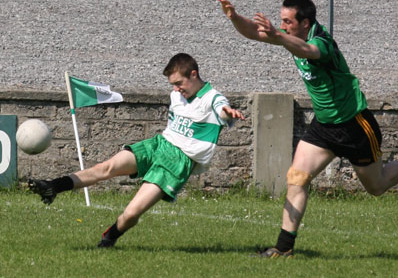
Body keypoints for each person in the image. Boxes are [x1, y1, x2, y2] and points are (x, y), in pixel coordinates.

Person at [219, 0, 398, 258]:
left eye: (288, 21)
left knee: (376, 187)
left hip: (354, 126)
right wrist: (235, 18)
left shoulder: (321, 42)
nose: (283, 25)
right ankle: (283, 248)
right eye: (281, 21)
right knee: (297, 178)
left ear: (305, 23)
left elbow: (307, 51)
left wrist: (278, 34)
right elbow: (256, 33)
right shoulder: (289, 36)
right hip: (324, 125)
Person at [28, 52, 245, 248]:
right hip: (159, 145)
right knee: (106, 167)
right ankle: (52, 186)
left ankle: (109, 237)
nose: (176, 89)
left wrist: (228, 112)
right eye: (172, 84)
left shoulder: (213, 98)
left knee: (131, 213)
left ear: (194, 74)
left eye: (179, 83)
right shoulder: (176, 95)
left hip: (178, 162)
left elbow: (221, 109)